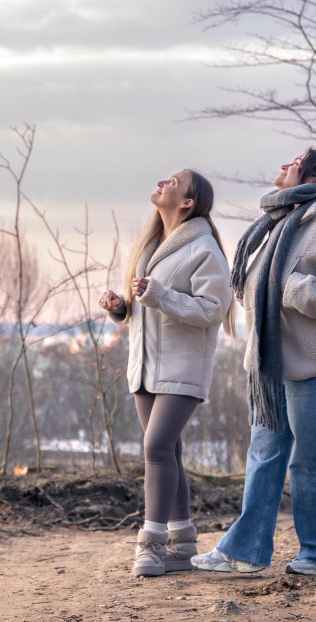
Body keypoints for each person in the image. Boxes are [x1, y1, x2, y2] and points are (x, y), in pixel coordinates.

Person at [191, 148, 316, 577]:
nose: (284, 165)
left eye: (295, 162)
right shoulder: (277, 228)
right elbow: (256, 286)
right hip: (271, 368)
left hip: (311, 366)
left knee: (311, 461)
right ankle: (245, 551)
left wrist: (289, 288)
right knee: (264, 457)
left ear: (315, 181)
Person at [99, 169, 234, 578]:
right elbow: (147, 310)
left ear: (188, 202)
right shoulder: (152, 246)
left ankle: (152, 546)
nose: (162, 181)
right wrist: (121, 308)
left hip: (183, 366)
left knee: (156, 448)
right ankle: (184, 542)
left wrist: (158, 294)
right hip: (145, 367)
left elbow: (213, 309)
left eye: (173, 181)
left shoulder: (204, 248)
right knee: (169, 451)